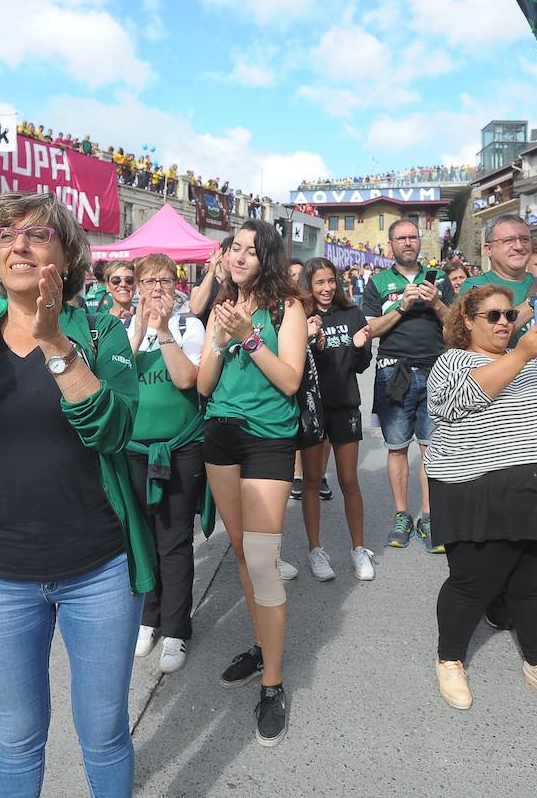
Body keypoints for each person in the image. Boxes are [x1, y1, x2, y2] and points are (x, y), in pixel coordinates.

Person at [0, 192, 153, 797]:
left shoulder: (100, 335)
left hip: (97, 569)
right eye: (5, 233)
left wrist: (57, 348)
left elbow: (117, 430)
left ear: (65, 258)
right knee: (16, 741)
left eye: (38, 233)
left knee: (104, 734)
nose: (18, 242)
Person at [427, 284, 537, 713]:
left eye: (509, 316)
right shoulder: (453, 361)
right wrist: (521, 355)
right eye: (493, 316)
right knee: (473, 583)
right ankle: (450, 658)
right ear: (467, 320)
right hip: (478, 485)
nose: (504, 323)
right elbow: (459, 401)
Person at [197, 219, 307, 748]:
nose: (238, 257)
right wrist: (219, 339)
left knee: (263, 560)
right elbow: (203, 383)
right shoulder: (219, 304)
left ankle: (273, 683)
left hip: (268, 440)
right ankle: (263, 647)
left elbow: (288, 379)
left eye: (249, 250)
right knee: (241, 552)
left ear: (266, 256)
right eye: (233, 248)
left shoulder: (288, 306)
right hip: (220, 434)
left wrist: (248, 336)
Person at [126, 253, 208, 675]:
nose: (157, 287)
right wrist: (139, 330)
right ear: (137, 286)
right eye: (148, 280)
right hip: (135, 451)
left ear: (176, 285)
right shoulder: (124, 328)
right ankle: (148, 616)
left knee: (174, 541)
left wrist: (161, 332)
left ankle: (176, 628)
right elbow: (116, 381)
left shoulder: (188, 326)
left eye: (164, 279)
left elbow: (185, 380)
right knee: (142, 537)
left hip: (179, 450)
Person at [363, 218, 453, 553]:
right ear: (391, 246)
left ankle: (428, 516)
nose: (408, 243)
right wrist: (401, 306)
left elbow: (457, 325)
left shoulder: (439, 280)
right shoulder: (378, 282)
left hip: (436, 369)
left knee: (432, 448)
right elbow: (371, 330)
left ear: (419, 243)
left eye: (412, 237)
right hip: (393, 371)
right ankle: (402, 515)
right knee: (397, 447)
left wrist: (436, 303)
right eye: (400, 238)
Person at [298, 257, 374, 581]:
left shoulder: (352, 313)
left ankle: (359, 550)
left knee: (348, 480)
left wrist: (360, 346)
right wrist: (310, 341)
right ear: (309, 286)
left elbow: (361, 365)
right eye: (319, 283)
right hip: (313, 408)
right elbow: (295, 366)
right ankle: (316, 550)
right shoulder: (298, 316)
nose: (327, 288)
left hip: (345, 406)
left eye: (331, 281)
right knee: (312, 481)